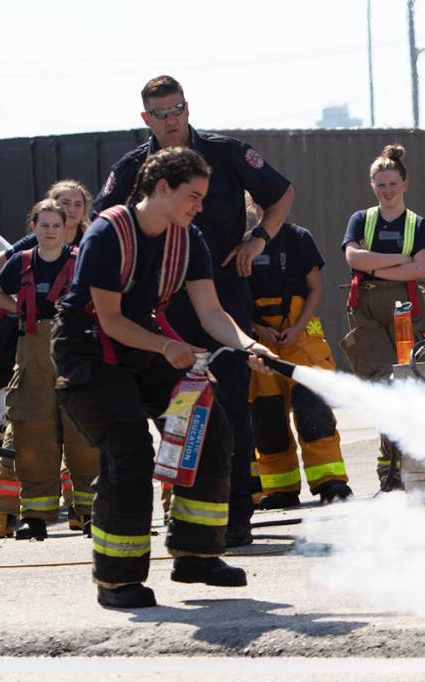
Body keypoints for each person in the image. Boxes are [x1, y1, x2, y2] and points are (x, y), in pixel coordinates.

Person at [53, 147, 273, 608]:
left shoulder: (188, 238)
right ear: (161, 188)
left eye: (202, 198)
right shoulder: (107, 233)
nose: (199, 206)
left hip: (145, 344)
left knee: (208, 428)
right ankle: (117, 579)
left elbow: (212, 312)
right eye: (192, 196)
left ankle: (196, 554)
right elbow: (110, 321)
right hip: (90, 350)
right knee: (128, 449)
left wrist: (248, 345)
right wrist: (167, 347)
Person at [92, 75, 293, 547]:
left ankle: (236, 517)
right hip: (158, 310)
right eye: (160, 114)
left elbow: (280, 193)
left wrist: (258, 238)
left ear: (187, 107)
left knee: (229, 409)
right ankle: (184, 518)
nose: (170, 120)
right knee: (177, 411)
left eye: (176, 109)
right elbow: (101, 219)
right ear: (146, 119)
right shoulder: (132, 168)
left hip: (220, 295)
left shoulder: (226, 154)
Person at [0, 180, 95, 539]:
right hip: (31, 350)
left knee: (82, 431)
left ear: (67, 228)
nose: (50, 231)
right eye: (43, 225)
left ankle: (90, 510)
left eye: (56, 226)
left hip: (72, 348)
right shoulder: (22, 261)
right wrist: (21, 309)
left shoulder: (82, 261)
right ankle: (36, 515)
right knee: (32, 433)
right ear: (33, 228)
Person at [340, 144, 425, 487]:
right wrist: (399, 261)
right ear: (372, 186)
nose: (387, 190)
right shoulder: (361, 220)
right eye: (380, 184)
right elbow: (354, 260)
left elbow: (420, 269)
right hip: (365, 310)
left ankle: (411, 464)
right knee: (381, 385)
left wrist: (376, 264)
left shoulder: (418, 224)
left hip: (404, 309)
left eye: (392, 183)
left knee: (406, 384)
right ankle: (389, 468)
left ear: (405, 184)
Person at [246, 200, 352, 509]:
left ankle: (331, 481)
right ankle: (281, 488)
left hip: (300, 337)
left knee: (313, 410)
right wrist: (258, 330)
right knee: (266, 417)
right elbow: (236, 297)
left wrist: (297, 327)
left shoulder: (299, 238)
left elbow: (315, 288)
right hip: (261, 340)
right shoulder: (243, 243)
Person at [0, 180, 92, 281]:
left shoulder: (91, 243)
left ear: (84, 210)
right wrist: (20, 297)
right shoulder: (34, 241)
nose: (72, 209)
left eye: (78, 204)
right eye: (66, 203)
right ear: (53, 206)